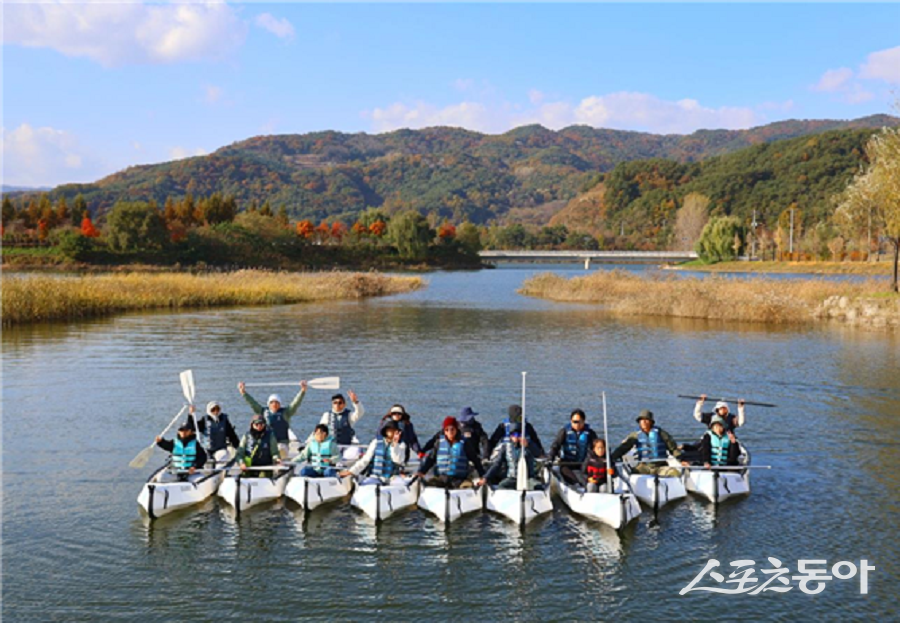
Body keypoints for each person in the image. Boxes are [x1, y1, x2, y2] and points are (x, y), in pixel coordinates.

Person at [238, 380, 307, 459]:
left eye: (277, 402)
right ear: (269, 404)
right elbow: (252, 403)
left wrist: (302, 391)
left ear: (280, 404)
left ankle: (281, 465)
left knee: (280, 449)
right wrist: (243, 393)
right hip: (268, 442)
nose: (274, 404)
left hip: (282, 443)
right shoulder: (263, 411)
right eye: (272, 402)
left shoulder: (286, 413)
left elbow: (295, 403)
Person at [610, 410, 688, 477]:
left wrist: (681, 460)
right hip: (644, 466)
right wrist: (612, 457)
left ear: (651, 422)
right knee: (634, 475)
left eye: (646, 420)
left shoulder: (661, 433)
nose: (643, 422)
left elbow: (673, 448)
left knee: (675, 473)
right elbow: (623, 448)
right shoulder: (635, 435)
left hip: (660, 466)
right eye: (641, 420)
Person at [415, 417, 486, 489]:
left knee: (468, 486)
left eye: (452, 429)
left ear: (456, 429)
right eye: (447, 430)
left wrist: (483, 476)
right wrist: (421, 471)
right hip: (442, 479)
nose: (450, 432)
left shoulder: (465, 443)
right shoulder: (439, 443)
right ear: (444, 431)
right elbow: (430, 459)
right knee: (428, 484)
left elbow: (475, 460)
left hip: (459, 480)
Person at [340, 420, 407, 485]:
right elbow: (365, 460)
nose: (393, 432)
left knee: (403, 483)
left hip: (393, 477)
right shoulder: (376, 442)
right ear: (385, 431)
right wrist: (351, 472)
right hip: (376, 477)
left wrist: (394, 445)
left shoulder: (401, 445)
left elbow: (398, 461)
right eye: (390, 429)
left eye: (396, 430)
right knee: (367, 484)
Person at [547, 409, 597, 484]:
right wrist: (550, 459)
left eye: (579, 422)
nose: (577, 424)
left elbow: (597, 448)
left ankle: (586, 484)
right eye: (574, 422)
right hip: (567, 464)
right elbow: (555, 446)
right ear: (571, 421)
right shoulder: (564, 432)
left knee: (587, 477)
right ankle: (575, 484)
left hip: (584, 463)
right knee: (568, 474)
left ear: (584, 421)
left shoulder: (590, 433)